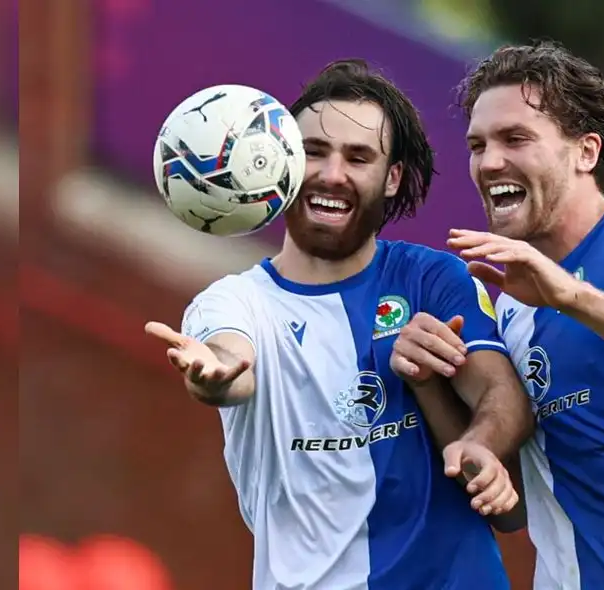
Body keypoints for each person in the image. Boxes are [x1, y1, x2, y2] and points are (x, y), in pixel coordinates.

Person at [143, 60, 533, 590]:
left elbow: (499, 391)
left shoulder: (432, 279)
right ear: (281, 162)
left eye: (358, 157)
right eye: (314, 152)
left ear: (392, 178)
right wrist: (216, 373)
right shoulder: (234, 303)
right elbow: (231, 362)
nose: (332, 174)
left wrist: (481, 442)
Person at [389, 42, 604, 589]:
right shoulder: (511, 309)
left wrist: (571, 296)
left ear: (585, 152)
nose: (489, 163)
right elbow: (513, 510)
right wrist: (429, 385)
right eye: (478, 145)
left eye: (516, 139)